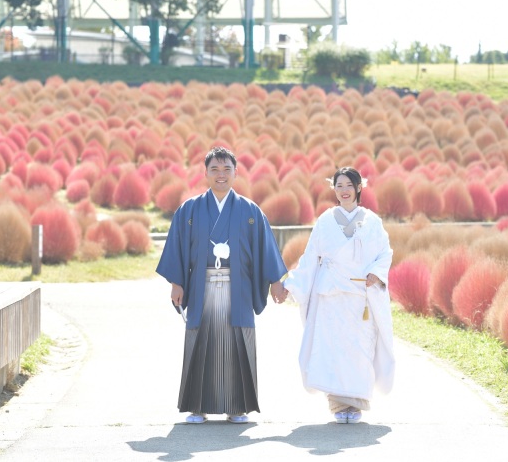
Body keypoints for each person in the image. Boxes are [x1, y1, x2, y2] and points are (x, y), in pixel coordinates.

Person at [156, 146, 288, 424]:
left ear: (235, 172)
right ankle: (197, 406)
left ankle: (237, 407)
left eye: (226, 169)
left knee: (238, 342)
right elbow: (178, 248)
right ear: (205, 173)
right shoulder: (189, 210)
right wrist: (177, 283)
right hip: (201, 284)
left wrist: (276, 281)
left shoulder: (249, 211)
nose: (221, 175)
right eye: (214, 169)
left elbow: (265, 248)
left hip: (237, 287)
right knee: (200, 340)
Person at [282, 166, 395, 424]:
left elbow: (385, 254)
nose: (343, 190)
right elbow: (310, 257)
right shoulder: (325, 220)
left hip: (359, 297)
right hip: (330, 296)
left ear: (358, 188)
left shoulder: (372, 221)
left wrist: (376, 273)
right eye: (338, 185)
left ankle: (355, 405)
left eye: (348, 185)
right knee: (332, 349)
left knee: (359, 351)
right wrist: (293, 284)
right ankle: (337, 404)